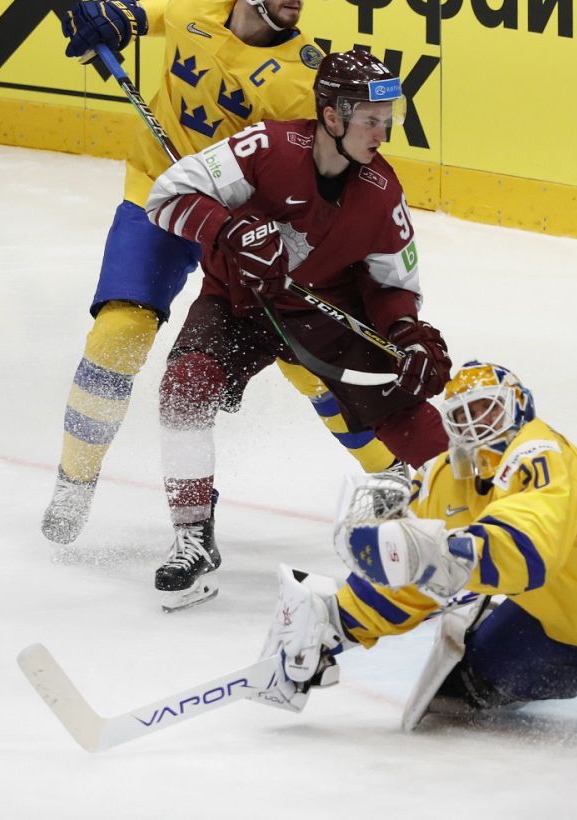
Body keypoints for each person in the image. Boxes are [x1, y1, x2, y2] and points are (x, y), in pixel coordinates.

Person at [42, 0, 399, 546]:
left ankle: (394, 476)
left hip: (239, 223)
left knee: (308, 359)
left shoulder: (298, 81)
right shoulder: (200, 0)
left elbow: (313, 175)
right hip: (158, 192)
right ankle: (75, 481)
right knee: (117, 333)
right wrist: (117, 18)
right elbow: (157, 14)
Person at [141, 50, 452, 610]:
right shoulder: (267, 148)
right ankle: (192, 534)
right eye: (370, 119)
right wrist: (226, 227)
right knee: (185, 387)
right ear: (331, 116)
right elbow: (164, 197)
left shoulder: (382, 191)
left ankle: (473, 536)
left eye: (388, 117)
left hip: (325, 310)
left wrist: (405, 331)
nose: (383, 131)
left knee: (406, 401)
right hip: (238, 303)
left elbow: (390, 283)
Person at [259, 360, 577, 727]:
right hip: (560, 630)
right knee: (459, 699)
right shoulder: (445, 478)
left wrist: (452, 556)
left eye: (488, 410)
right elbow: (415, 568)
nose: (476, 425)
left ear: (520, 408)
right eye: (462, 416)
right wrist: (338, 624)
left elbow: (530, 544)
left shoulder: (542, 454)